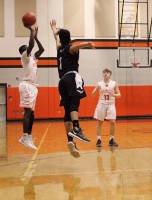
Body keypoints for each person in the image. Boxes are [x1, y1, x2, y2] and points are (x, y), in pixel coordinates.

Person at [50, 19, 94, 157]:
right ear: (69, 39)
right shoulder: (70, 47)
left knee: (67, 111)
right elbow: (76, 47)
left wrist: (54, 29)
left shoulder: (59, 49)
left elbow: (56, 39)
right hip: (71, 77)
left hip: (61, 82)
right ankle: (76, 127)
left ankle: (70, 141)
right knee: (76, 100)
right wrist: (88, 44)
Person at [18, 25, 44, 150]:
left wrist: (37, 37)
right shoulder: (25, 57)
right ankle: (24, 136)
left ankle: (28, 136)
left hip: (33, 86)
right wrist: (32, 32)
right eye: (28, 48)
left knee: (32, 113)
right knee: (28, 112)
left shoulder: (33, 58)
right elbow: (31, 46)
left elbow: (41, 49)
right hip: (27, 85)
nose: (30, 50)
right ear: (24, 51)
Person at [92, 68, 121, 148]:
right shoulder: (99, 83)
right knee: (99, 122)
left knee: (112, 122)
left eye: (107, 72)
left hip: (111, 104)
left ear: (110, 74)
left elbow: (119, 95)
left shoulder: (114, 83)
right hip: (101, 104)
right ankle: (98, 140)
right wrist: (95, 90)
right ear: (103, 74)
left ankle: (111, 139)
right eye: (104, 72)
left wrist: (113, 95)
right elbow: (93, 93)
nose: (105, 74)